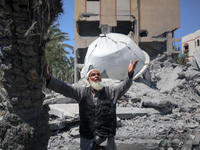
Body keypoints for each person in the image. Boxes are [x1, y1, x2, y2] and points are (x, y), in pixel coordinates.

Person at [45, 59, 139, 150]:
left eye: (98, 75)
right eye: (93, 75)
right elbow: (64, 88)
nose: (97, 76)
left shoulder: (111, 92)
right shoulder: (81, 92)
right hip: (88, 138)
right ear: (88, 80)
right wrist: (49, 79)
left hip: (106, 137)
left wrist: (130, 74)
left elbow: (124, 86)